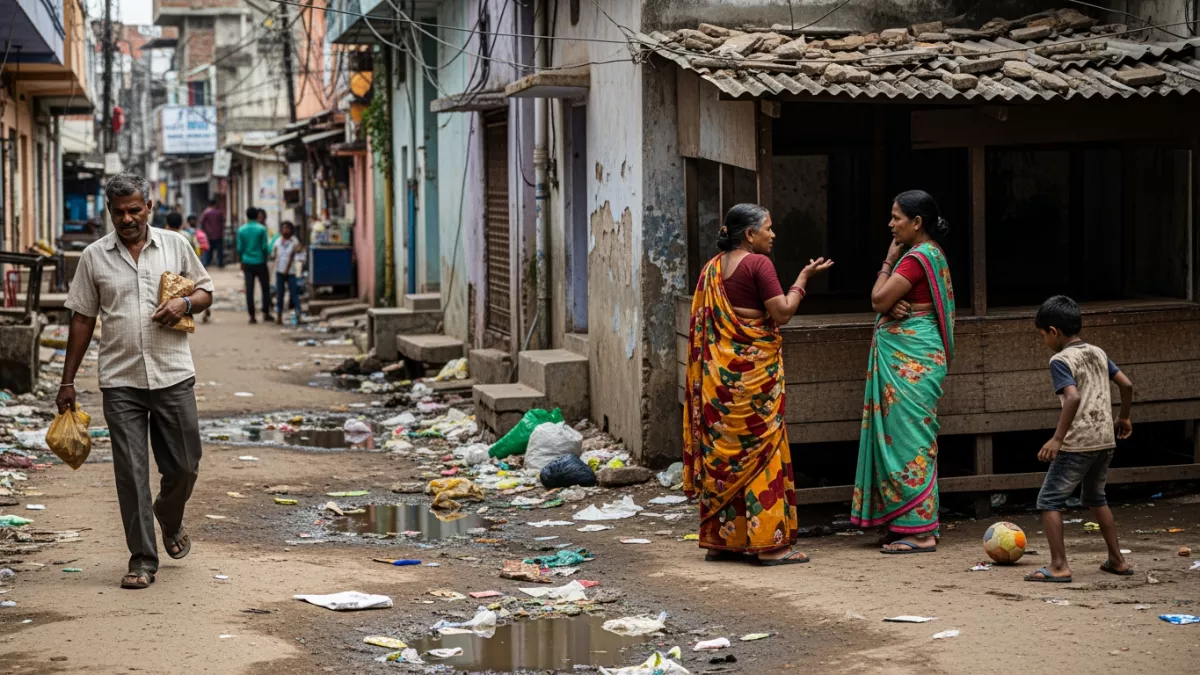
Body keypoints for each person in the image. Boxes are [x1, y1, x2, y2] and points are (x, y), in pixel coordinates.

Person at [58, 172, 214, 590]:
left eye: (135, 210)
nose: (128, 218)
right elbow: (82, 318)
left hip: (172, 374)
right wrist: (66, 380)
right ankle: (143, 559)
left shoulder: (176, 245)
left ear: (149, 207)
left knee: (184, 466)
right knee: (130, 473)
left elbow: (205, 291)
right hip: (121, 379)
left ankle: (170, 514)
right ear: (109, 212)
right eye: (119, 212)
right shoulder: (94, 257)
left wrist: (184, 300)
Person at [683, 203, 833, 566]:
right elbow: (781, 312)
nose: (773, 233)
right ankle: (769, 544)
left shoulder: (712, 269)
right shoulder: (758, 264)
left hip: (719, 383)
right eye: (768, 227)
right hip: (754, 382)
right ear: (749, 234)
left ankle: (722, 541)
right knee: (762, 453)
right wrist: (802, 281)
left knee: (727, 454)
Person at [851, 190, 956, 554]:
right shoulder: (933, 255)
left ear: (917, 223)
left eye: (897, 217)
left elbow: (878, 299)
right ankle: (906, 523)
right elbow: (890, 304)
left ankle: (921, 532)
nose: (891, 223)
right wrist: (889, 308)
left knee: (910, 443)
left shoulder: (915, 259)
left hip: (912, 364)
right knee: (907, 440)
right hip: (917, 358)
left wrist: (887, 263)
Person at [1025, 295, 1134, 582]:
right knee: (1097, 498)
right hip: (1105, 439)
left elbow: (1072, 397)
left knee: (1049, 500)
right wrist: (1123, 417)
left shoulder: (1060, 360)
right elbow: (1126, 384)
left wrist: (1058, 439)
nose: (1044, 341)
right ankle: (1117, 560)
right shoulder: (1097, 352)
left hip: (1078, 442)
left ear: (1053, 331)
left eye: (1042, 335)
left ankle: (1058, 566)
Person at [236, 206, 273, 324]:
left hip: (247, 262)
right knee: (265, 288)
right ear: (257, 216)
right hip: (260, 262)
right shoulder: (262, 229)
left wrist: (242, 261)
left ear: (246, 216)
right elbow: (264, 247)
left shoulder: (241, 230)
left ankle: (252, 315)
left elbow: (239, 248)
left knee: (250, 289)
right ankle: (266, 312)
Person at [272, 221, 303, 325]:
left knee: (294, 294)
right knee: (280, 294)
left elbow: (294, 254)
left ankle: (298, 315)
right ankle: (279, 316)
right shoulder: (278, 241)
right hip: (279, 270)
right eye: (284, 228)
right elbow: (275, 254)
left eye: (287, 228)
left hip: (291, 272)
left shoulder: (294, 241)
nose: (285, 230)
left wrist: (287, 269)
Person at [198, 198, 225, 268]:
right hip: (219, 234)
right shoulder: (219, 213)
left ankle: (207, 262)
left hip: (209, 234)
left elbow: (202, 222)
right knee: (219, 249)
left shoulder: (206, 212)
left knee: (208, 249)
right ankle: (220, 263)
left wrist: (205, 230)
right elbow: (223, 222)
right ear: (215, 204)